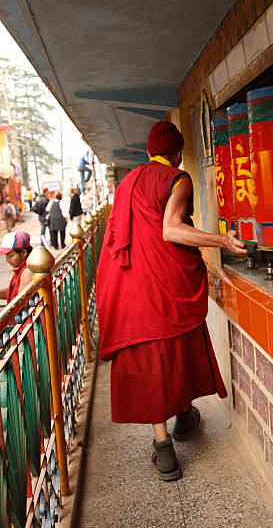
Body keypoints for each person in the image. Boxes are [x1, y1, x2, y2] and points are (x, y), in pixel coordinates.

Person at [96, 121, 246, 482]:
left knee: (151, 359)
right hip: (165, 281)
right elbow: (172, 229)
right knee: (178, 347)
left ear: (150, 152)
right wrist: (221, 241)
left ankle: (164, 448)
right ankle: (183, 417)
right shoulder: (178, 178)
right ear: (178, 154)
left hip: (131, 285)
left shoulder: (128, 182)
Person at [0, 231, 33, 303]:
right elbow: (13, 292)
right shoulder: (21, 269)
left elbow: (20, 304)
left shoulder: (27, 271)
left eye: (11, 256)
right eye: (6, 256)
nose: (7, 260)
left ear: (23, 253)